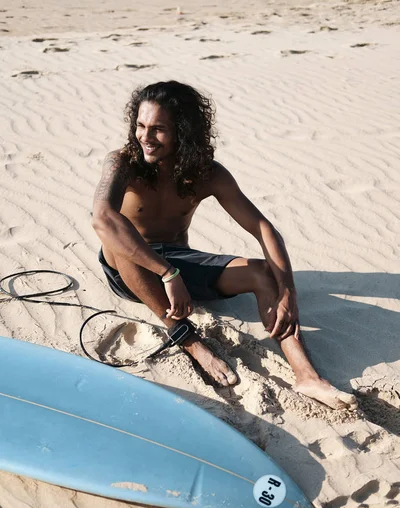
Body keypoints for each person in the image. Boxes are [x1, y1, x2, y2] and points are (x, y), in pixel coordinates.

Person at [92, 80, 357, 410]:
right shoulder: (122, 163)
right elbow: (102, 218)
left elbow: (262, 227)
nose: (145, 137)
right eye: (141, 126)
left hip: (179, 262)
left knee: (262, 273)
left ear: (183, 132)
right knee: (117, 237)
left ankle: (307, 377)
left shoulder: (207, 174)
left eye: (158, 129)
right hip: (133, 269)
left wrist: (288, 291)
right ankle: (189, 340)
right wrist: (168, 274)